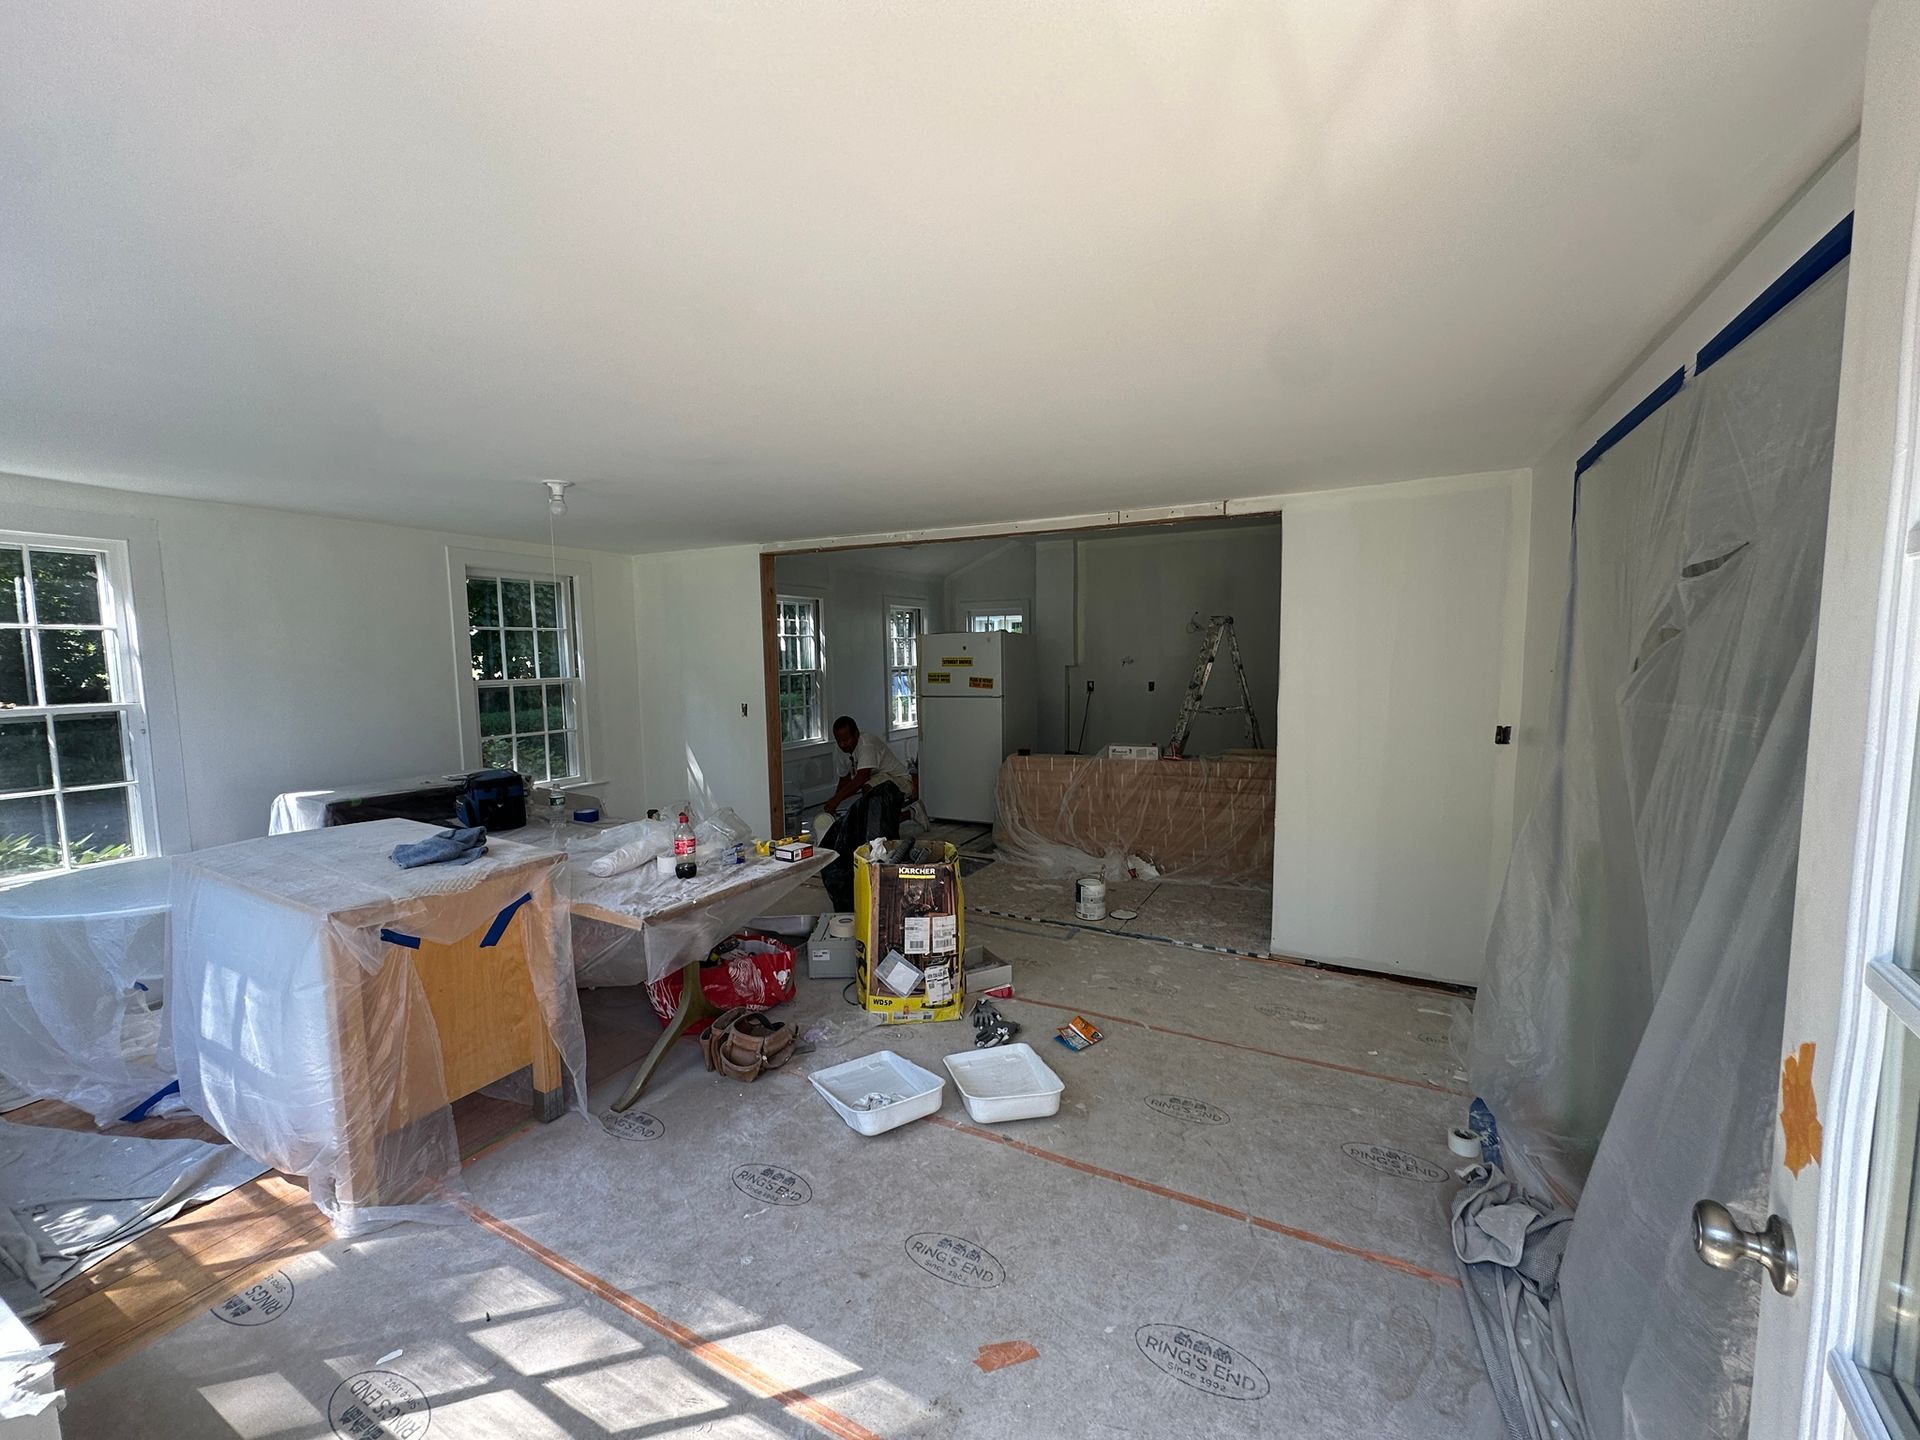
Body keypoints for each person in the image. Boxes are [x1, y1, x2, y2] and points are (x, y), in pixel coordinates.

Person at [818, 715, 912, 910]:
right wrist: (833, 806)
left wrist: (836, 800)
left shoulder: (867, 743)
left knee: (871, 790)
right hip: (879, 784)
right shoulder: (842, 751)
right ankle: (911, 814)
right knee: (868, 801)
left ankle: (887, 837)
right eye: (839, 741)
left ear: (856, 734)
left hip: (900, 783)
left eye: (847, 739)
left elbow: (861, 778)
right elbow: (844, 780)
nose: (843, 744)